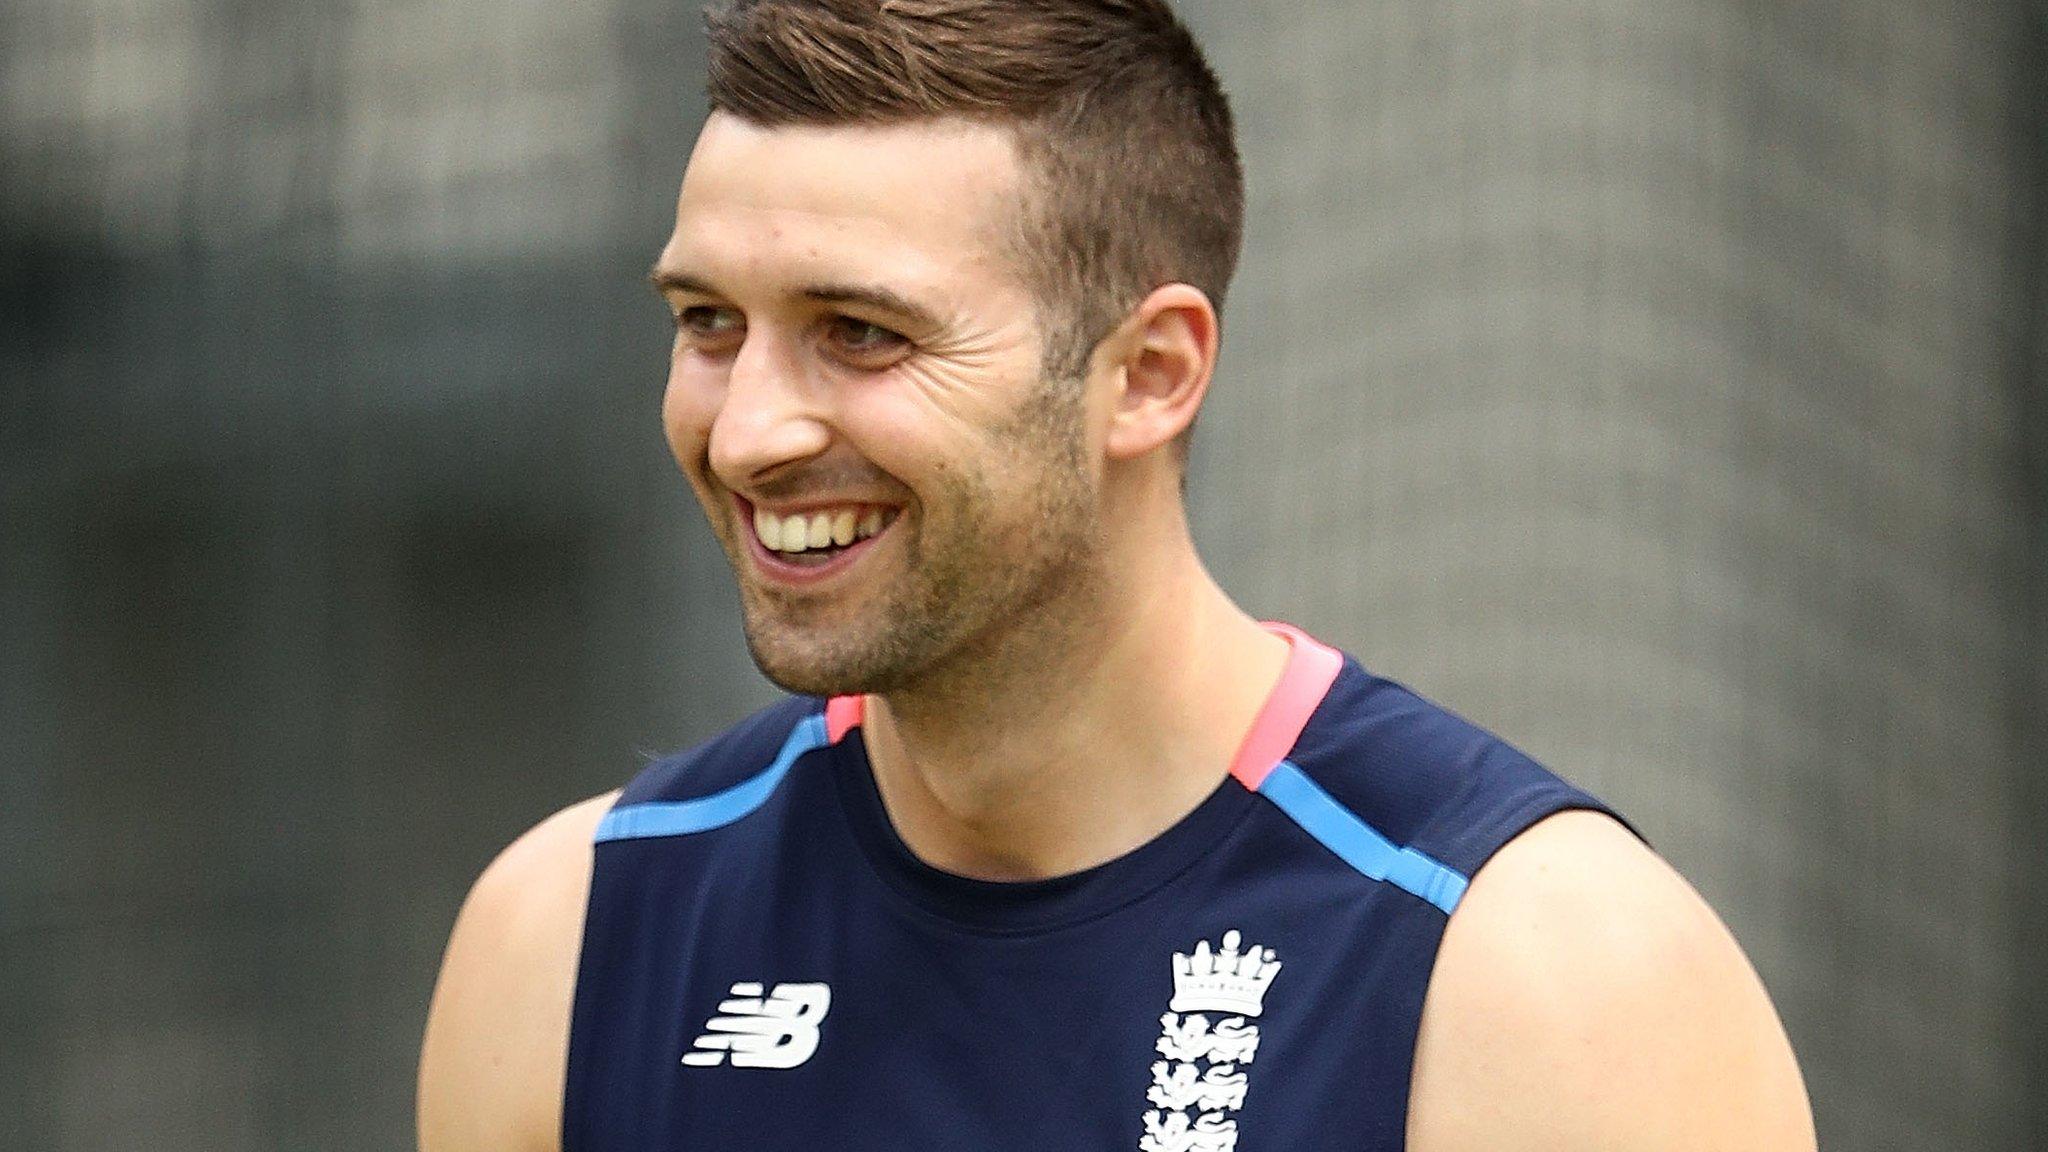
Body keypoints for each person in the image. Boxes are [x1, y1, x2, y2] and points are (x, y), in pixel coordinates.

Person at [418, 1, 1816, 1148]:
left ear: (1149, 376)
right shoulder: (570, 941)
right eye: (710, 322)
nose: (749, 430)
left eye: (860, 332)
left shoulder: (1543, 984)